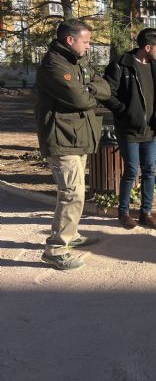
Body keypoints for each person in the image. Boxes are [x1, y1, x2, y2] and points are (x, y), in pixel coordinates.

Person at [35, 19, 111, 270]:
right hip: (62, 138)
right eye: (86, 41)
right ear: (70, 40)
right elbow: (80, 99)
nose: (89, 46)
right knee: (71, 193)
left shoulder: (77, 61)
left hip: (77, 137)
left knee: (75, 191)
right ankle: (56, 248)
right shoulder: (54, 64)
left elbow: (104, 87)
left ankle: (71, 234)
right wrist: (88, 92)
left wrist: (88, 88)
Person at [103, 28, 156, 231]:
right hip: (129, 130)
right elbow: (107, 94)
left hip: (151, 131)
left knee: (149, 171)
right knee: (131, 171)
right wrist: (124, 111)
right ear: (147, 47)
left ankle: (145, 213)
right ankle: (123, 213)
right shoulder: (121, 65)